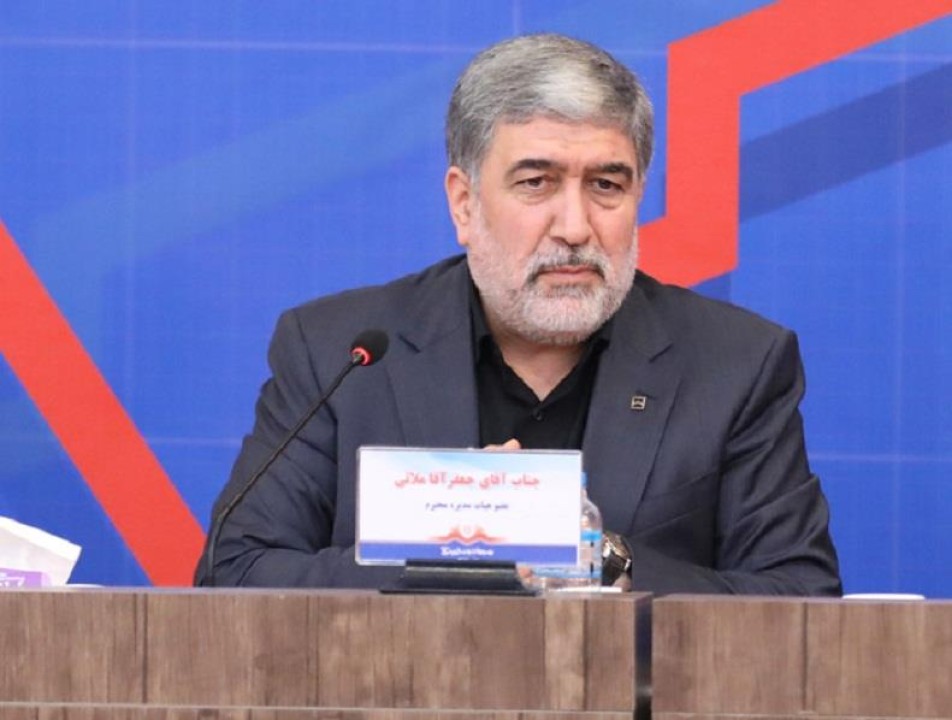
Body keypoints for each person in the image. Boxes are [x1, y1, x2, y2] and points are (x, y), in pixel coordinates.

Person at [195, 33, 841, 595]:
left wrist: (599, 558)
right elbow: (235, 571)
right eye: (536, 183)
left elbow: (799, 598)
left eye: (606, 185)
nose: (575, 226)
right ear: (464, 203)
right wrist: (454, 555)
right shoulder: (341, 352)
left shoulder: (736, 364)